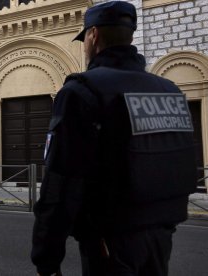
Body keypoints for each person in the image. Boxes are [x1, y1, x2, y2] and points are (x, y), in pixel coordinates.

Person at [31, 1, 197, 276]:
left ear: (93, 35)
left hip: (110, 243)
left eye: (84, 39)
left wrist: (46, 257)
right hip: (162, 236)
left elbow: (60, 182)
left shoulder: (82, 91)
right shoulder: (168, 89)